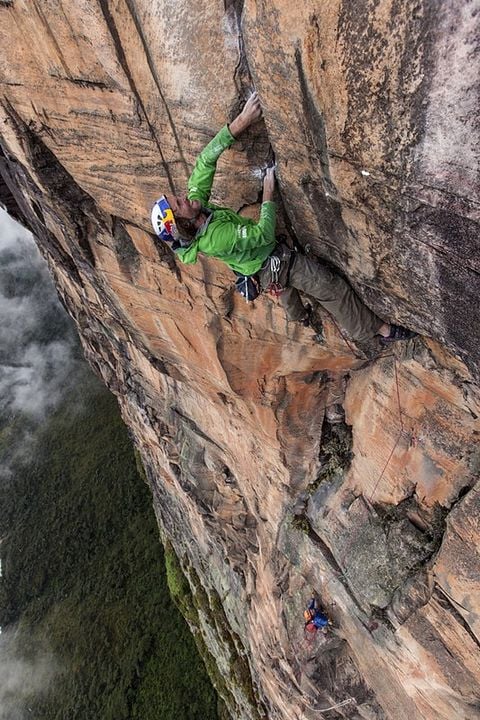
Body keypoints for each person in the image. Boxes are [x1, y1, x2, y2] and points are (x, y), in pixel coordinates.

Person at [151, 92, 416, 347]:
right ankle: (378, 331)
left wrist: (241, 121)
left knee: (290, 295)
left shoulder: (196, 207)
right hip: (270, 261)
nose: (184, 198)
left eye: (178, 197)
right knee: (331, 287)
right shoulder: (213, 239)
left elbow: (205, 161)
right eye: (179, 204)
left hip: (259, 263)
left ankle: (300, 316)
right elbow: (263, 235)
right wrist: (268, 193)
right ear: (183, 223)